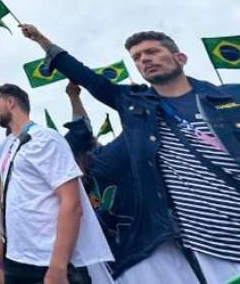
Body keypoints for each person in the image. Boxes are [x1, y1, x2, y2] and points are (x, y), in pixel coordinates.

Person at [21, 25, 240, 283]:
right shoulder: (134, 104)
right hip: (207, 239)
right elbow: (88, 77)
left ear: (180, 58)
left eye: (152, 52)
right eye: (137, 57)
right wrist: (42, 41)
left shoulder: (230, 94)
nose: (144, 59)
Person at [0, 83, 113, 284]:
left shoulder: (46, 138)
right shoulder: (4, 147)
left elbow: (72, 204)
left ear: (10, 102)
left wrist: (58, 266)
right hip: (16, 262)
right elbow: (3, 207)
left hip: (49, 261)